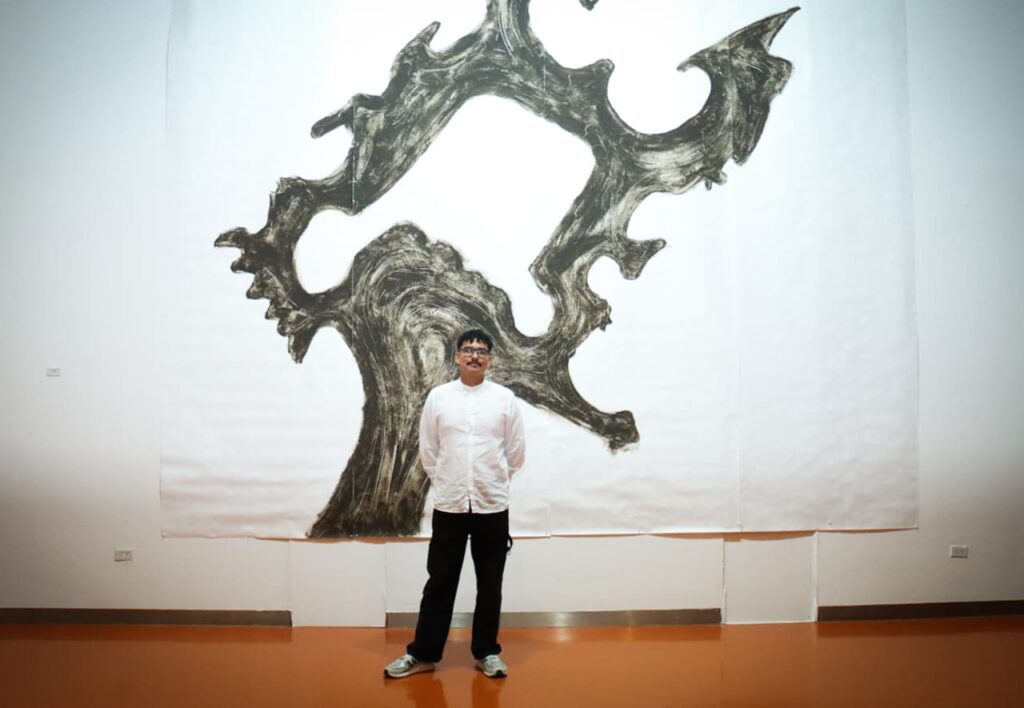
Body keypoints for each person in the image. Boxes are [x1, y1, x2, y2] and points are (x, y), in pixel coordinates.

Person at [384, 329, 526, 679]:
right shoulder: (439, 397)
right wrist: (448, 480)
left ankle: (487, 652)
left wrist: (492, 480)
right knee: (440, 582)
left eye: (481, 350)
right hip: (449, 505)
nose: (474, 355)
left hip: (492, 505)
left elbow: (516, 452)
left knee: (490, 584)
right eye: (468, 349)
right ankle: (423, 654)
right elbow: (428, 450)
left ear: (490, 358)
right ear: (457, 356)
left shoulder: (505, 399)